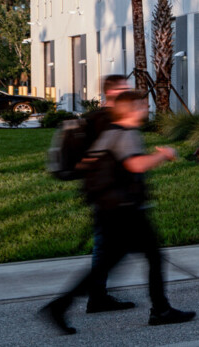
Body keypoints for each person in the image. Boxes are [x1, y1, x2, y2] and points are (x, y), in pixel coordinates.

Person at [40, 90, 195, 334]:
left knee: (115, 262)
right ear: (131, 110)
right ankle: (160, 310)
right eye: (143, 105)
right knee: (150, 257)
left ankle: (61, 305)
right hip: (125, 210)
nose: (147, 109)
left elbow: (86, 163)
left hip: (109, 207)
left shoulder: (109, 132)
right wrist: (164, 155)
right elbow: (135, 164)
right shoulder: (125, 134)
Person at [79, 74, 135, 313]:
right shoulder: (103, 120)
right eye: (124, 88)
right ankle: (93, 296)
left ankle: (96, 295)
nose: (128, 92)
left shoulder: (104, 118)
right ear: (111, 92)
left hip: (111, 192)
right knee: (108, 247)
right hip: (109, 194)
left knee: (110, 246)